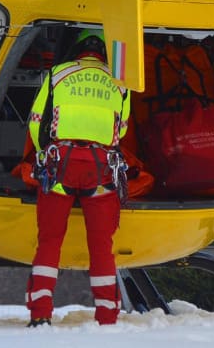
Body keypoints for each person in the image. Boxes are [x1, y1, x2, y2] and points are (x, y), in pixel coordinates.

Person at [25, 28, 131, 327]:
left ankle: (41, 312)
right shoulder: (121, 81)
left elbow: (36, 121)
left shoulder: (58, 73)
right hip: (101, 170)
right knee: (101, 245)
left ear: (78, 47)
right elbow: (121, 129)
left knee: (49, 241)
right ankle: (107, 316)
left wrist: (44, 153)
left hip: (61, 166)